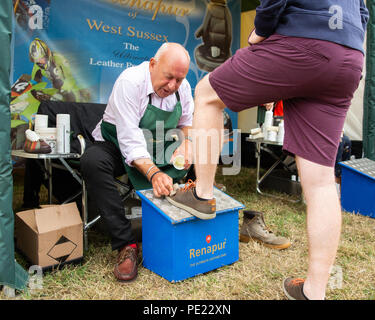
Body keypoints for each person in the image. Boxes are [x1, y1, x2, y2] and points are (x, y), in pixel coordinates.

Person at [167, 0, 368, 300]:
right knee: (322, 181)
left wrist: (261, 30)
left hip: (303, 40)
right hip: (349, 55)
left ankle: (202, 195)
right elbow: (363, 11)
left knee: (207, 94)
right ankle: (315, 292)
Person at [80, 43, 194, 282]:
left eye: (179, 80)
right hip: (116, 141)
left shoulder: (182, 88)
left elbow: (187, 121)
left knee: (190, 158)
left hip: (155, 142)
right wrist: (153, 173)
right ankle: (126, 244)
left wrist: (186, 143)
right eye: (169, 77)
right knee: (92, 161)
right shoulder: (130, 82)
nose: (173, 86)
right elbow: (130, 140)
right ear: (153, 65)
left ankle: (175, 225)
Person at [29, 38, 90, 102]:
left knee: (73, 102)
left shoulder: (59, 59)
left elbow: (69, 78)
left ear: (47, 53)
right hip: (56, 89)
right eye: (37, 60)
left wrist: (61, 92)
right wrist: (35, 90)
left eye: (42, 58)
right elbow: (34, 81)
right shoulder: (37, 65)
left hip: (71, 88)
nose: (40, 62)